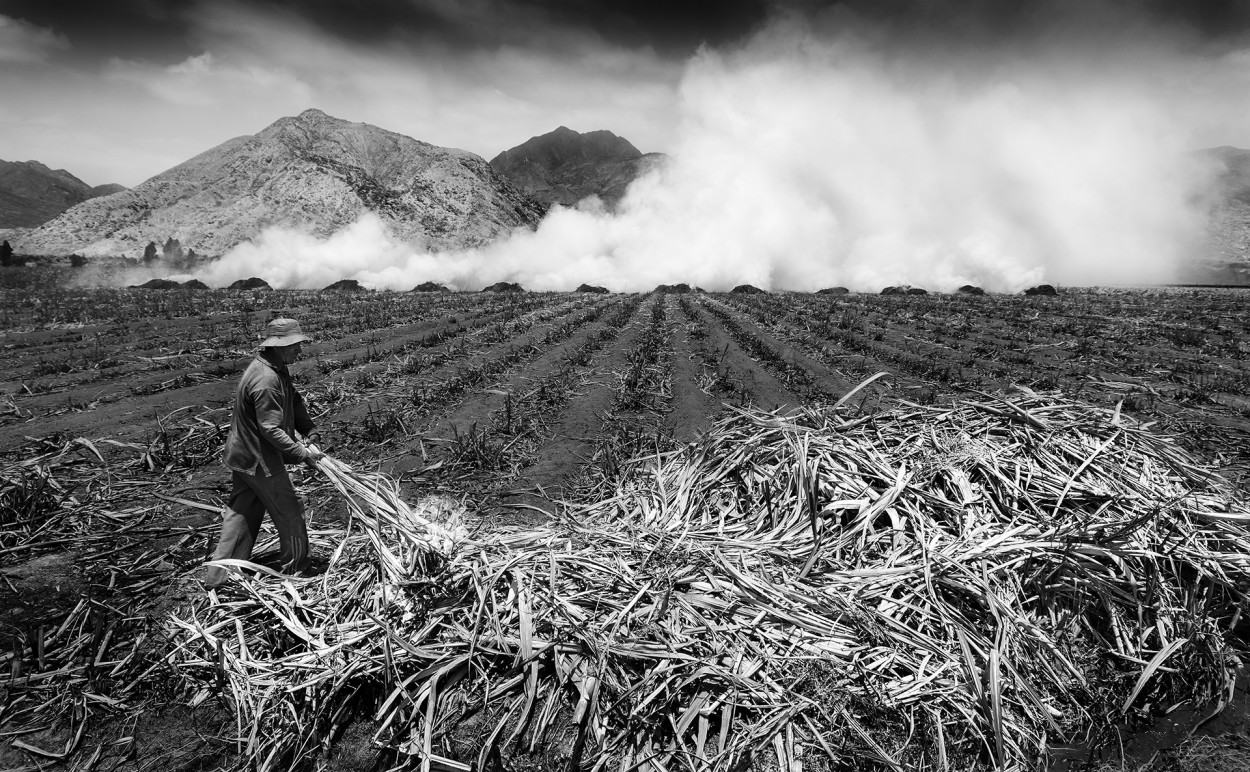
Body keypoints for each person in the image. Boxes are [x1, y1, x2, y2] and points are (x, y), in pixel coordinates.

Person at [204, 318, 324, 589]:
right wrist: (303, 454)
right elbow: (270, 428)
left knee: (242, 513)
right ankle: (296, 569)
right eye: (295, 345)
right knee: (289, 510)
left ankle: (219, 577)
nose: (300, 351)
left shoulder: (276, 367)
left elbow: (293, 399)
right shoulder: (266, 378)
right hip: (259, 459)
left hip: (243, 455)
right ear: (279, 346)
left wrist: (309, 428)